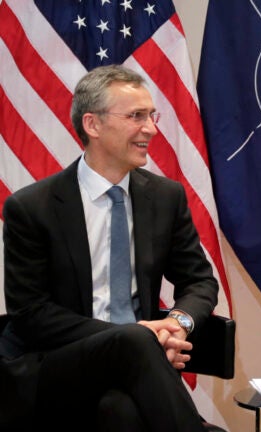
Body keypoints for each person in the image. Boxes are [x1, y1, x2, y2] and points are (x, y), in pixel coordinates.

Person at [0, 65, 218, 431]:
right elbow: (32, 314)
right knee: (133, 339)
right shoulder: (32, 207)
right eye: (136, 116)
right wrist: (135, 337)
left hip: (138, 359)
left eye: (151, 115)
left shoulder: (165, 197)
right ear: (93, 125)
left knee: (120, 412)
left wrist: (175, 325)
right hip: (52, 366)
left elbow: (199, 282)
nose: (150, 128)